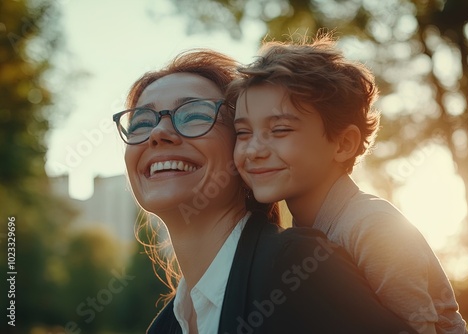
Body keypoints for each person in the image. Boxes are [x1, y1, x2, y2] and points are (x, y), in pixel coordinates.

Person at [113, 48, 417, 334]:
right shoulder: (166, 326)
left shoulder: (297, 271)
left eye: (194, 115)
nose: (158, 133)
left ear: (241, 146)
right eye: (141, 123)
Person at [230, 33, 468, 334]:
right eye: (242, 133)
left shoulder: (374, 229)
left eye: (279, 130)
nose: (254, 150)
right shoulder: (298, 238)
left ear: (343, 143)